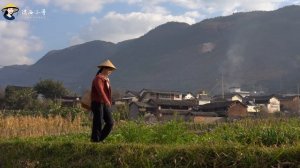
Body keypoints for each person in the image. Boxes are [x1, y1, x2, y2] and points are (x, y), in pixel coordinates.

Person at [90, 59, 116, 142]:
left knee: (110, 122)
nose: (110, 72)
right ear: (104, 69)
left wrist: (108, 101)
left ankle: (99, 139)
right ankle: (95, 140)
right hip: (97, 103)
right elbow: (100, 91)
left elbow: (107, 93)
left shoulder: (106, 80)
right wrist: (106, 101)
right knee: (98, 122)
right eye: (110, 70)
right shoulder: (98, 78)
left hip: (104, 103)